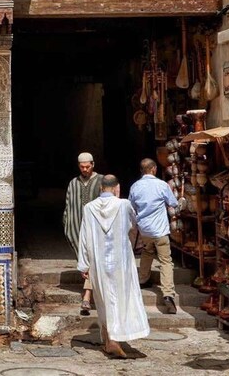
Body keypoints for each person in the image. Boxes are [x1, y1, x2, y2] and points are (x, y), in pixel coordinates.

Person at [78, 174, 150, 358]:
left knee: (103, 301)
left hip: (99, 262)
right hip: (121, 262)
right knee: (120, 299)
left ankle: (110, 338)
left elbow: (84, 237)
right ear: (116, 188)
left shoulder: (89, 208)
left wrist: (84, 264)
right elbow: (134, 224)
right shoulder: (124, 204)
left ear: (101, 188)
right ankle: (113, 339)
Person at [129, 157, 178, 314]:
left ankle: (143, 279)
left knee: (147, 252)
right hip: (160, 230)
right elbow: (174, 203)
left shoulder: (135, 186)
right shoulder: (162, 185)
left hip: (145, 230)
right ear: (154, 169)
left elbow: (132, 207)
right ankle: (168, 294)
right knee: (165, 260)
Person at [63, 152, 104, 315]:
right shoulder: (73, 183)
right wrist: (68, 224)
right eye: (82, 167)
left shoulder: (101, 181)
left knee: (92, 262)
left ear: (93, 164)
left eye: (88, 166)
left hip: (97, 230)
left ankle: (87, 296)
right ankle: (90, 294)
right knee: (87, 262)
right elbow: (69, 205)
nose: (85, 169)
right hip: (78, 229)